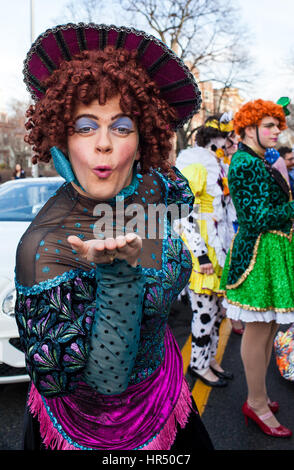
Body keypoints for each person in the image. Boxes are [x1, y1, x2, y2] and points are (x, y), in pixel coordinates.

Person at [15, 22, 213, 451]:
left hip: (170, 395)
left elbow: (181, 199)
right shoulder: (44, 248)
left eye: (122, 127)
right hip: (96, 435)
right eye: (85, 126)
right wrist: (119, 278)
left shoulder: (150, 186)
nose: (104, 144)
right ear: (60, 138)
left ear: (143, 142)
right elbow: (105, 382)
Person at [220, 99, 293, 438]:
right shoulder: (245, 163)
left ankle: (260, 395)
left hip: (270, 252)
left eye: (278, 125)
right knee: (258, 329)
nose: (277, 131)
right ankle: (256, 404)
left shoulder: (257, 160)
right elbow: (255, 218)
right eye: (269, 126)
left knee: (268, 327)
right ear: (249, 129)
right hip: (257, 256)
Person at [176, 114, 234, 387]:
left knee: (219, 313)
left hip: (219, 247)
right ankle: (198, 365)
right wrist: (199, 254)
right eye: (228, 137)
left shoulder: (219, 166)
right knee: (205, 312)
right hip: (203, 250)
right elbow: (182, 213)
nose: (232, 142)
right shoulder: (196, 165)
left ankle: (209, 358)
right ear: (213, 140)